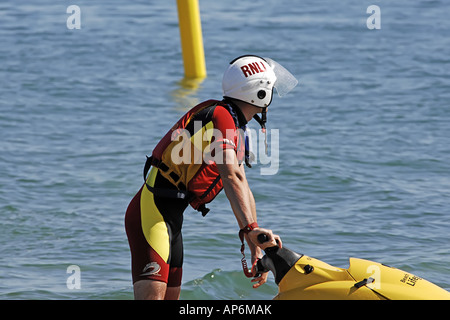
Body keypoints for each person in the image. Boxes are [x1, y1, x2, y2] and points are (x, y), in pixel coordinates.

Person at [125, 55, 298, 300]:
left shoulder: (236, 125)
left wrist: (252, 235)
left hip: (170, 219)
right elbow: (231, 175)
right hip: (151, 216)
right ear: (259, 94)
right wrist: (249, 228)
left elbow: (241, 182)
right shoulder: (221, 117)